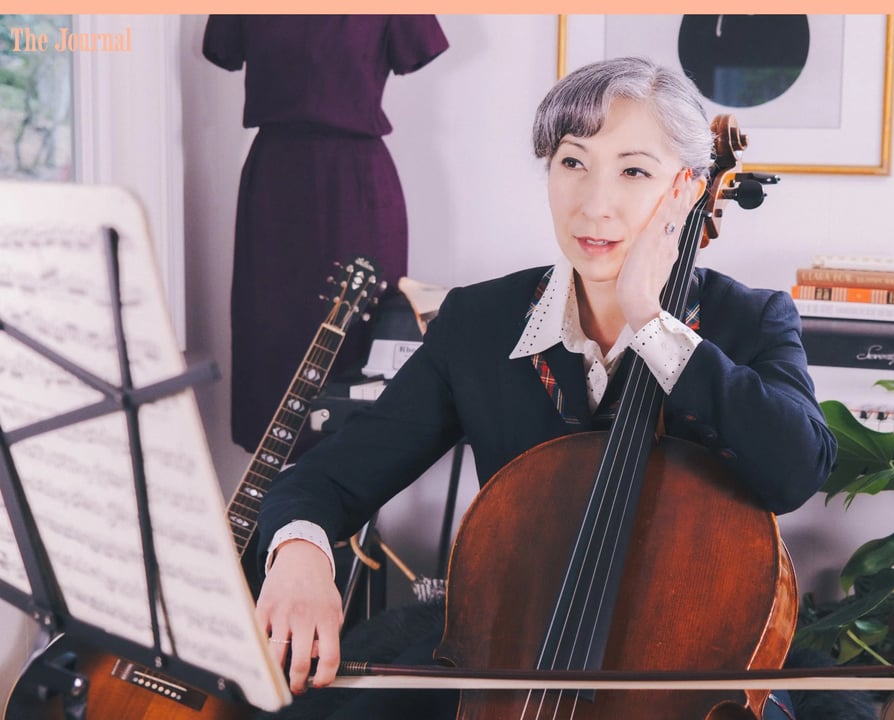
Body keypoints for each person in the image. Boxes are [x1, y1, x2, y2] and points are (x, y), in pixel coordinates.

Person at [253, 56, 838, 720]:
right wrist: (300, 555)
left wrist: (650, 318)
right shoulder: (480, 323)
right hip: (511, 665)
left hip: (697, 681)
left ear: (687, 190)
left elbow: (795, 470)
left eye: (634, 171)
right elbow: (329, 476)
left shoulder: (749, 320)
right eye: (572, 162)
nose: (594, 203)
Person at [202, 15, 449, 454]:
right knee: (271, 344)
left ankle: (354, 509)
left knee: (362, 340)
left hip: (357, 188)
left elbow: (418, 47)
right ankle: (278, 508)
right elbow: (221, 49)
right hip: (276, 193)